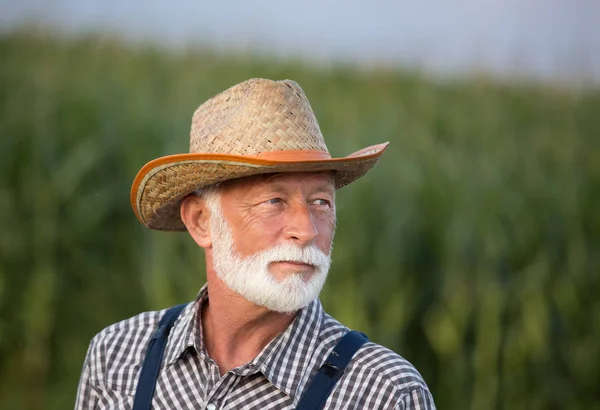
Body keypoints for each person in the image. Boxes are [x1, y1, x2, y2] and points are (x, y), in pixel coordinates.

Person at [75, 78, 435, 409]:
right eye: (274, 201)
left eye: (321, 202)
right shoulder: (118, 357)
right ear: (202, 222)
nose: (306, 230)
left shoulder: (383, 393)